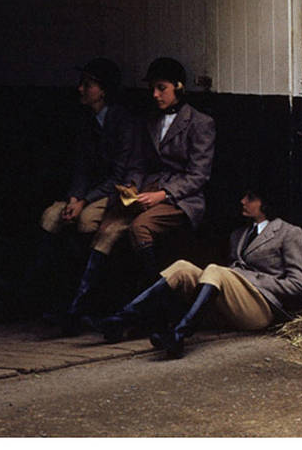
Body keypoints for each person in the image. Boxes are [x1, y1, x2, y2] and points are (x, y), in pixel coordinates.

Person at [59, 57, 215, 335]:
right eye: (153, 89)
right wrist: (133, 187)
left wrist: (163, 195)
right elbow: (140, 164)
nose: (155, 95)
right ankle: (84, 307)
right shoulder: (150, 121)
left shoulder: (200, 122)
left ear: (178, 88)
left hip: (182, 199)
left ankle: (153, 308)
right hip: (147, 191)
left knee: (140, 228)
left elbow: (198, 176)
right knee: (110, 223)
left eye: (161, 88)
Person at [100, 187, 302, 359]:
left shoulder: (289, 233)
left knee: (215, 270)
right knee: (182, 267)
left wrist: (249, 279)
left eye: (250, 198)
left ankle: (179, 335)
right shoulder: (239, 234)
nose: (243, 201)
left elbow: (297, 284)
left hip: (261, 309)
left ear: (266, 203)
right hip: (234, 308)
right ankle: (122, 318)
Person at [33, 58, 135, 311]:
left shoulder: (122, 121)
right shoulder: (86, 121)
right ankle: (39, 292)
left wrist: (85, 201)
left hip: (113, 190)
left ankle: (89, 297)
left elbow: (120, 175)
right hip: (89, 191)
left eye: (88, 85)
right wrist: (75, 197)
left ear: (103, 90)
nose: (81, 89)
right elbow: (81, 167)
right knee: (51, 216)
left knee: (86, 220)